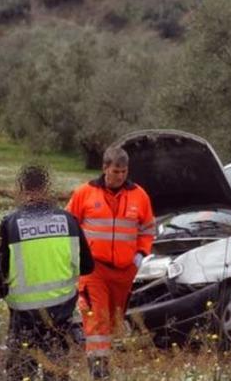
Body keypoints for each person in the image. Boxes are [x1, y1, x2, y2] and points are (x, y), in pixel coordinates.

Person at [0, 165, 94, 381]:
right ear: (48, 189)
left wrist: (5, 293)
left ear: (24, 190)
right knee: (56, 372)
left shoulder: (11, 223)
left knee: (20, 372)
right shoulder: (69, 221)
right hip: (60, 311)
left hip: (23, 314)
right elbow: (87, 266)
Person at [66, 146, 155, 379]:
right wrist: (77, 258)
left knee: (115, 323)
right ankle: (99, 372)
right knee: (97, 321)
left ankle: (104, 363)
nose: (120, 176)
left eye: (124, 171)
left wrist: (140, 254)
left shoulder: (139, 196)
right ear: (105, 168)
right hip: (94, 269)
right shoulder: (84, 193)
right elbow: (68, 226)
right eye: (116, 171)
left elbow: (147, 229)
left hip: (125, 271)